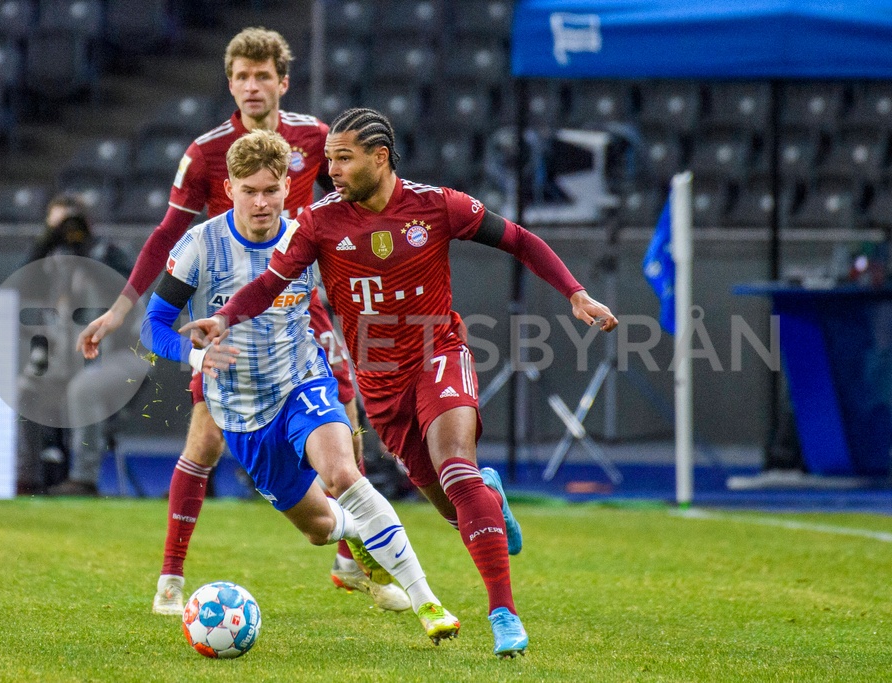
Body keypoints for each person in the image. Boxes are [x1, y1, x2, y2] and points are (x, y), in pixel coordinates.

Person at [183, 108, 620, 658]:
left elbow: (520, 241)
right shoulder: (320, 223)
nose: (331, 169)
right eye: (329, 158)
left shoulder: (437, 205)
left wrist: (575, 292)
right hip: (380, 384)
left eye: (343, 158)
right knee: (449, 504)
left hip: (439, 352)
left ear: (380, 157)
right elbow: (269, 284)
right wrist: (224, 319)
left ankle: (503, 613)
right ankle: (490, 496)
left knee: (456, 468)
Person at [73, 28, 404, 613]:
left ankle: (355, 561)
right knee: (204, 439)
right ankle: (171, 578)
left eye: (263, 75)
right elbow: (166, 235)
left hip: (299, 301)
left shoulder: (316, 139)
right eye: (242, 77)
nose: (253, 86)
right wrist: (123, 308)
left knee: (344, 413)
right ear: (230, 84)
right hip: (228, 311)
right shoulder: (205, 152)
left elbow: (357, 203)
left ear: (283, 81)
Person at [140, 128, 460, 644]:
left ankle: (429, 604)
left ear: (289, 188)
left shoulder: (309, 237)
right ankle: (356, 536)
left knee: (343, 473)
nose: (262, 201)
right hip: (241, 413)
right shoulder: (199, 245)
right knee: (319, 529)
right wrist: (195, 355)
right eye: (250, 190)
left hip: (302, 383)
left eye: (272, 189)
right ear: (230, 189)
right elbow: (152, 325)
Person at [17, 193, 145, 496]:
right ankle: (26, 477)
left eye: (71, 223)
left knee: (83, 387)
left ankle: (83, 479)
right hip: (69, 359)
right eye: (58, 224)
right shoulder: (50, 260)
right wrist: (46, 242)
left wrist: (86, 253)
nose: (66, 231)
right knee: (24, 391)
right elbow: (22, 286)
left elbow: (127, 289)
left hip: (121, 355)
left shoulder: (108, 253)